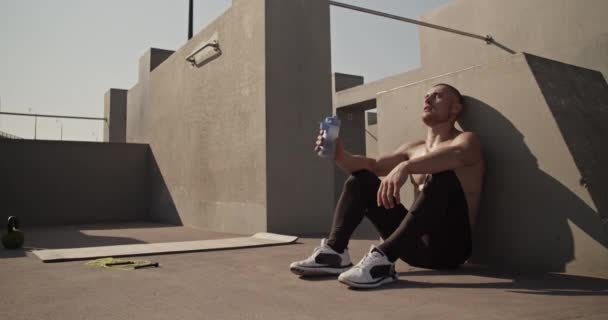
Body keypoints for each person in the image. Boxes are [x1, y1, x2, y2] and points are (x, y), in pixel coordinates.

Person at [290, 83, 485, 288]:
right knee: (361, 179)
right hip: (414, 247)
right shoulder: (413, 149)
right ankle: (335, 253)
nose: (427, 100)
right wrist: (340, 155)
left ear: (455, 108)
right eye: (426, 96)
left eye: (437, 96)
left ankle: (382, 259)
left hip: (451, 250)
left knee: (443, 177)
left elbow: (458, 155)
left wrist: (406, 167)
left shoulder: (467, 140)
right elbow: (373, 165)